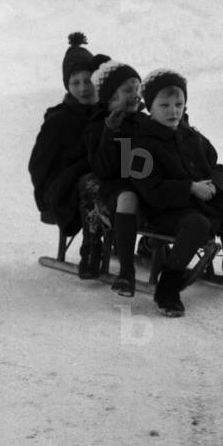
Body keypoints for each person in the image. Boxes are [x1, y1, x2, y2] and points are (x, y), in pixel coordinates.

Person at [127, 70, 223, 317]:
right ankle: (168, 287)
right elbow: (147, 188)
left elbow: (215, 165)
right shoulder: (140, 144)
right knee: (197, 225)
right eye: (164, 105)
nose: (173, 111)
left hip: (202, 203)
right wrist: (189, 187)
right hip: (162, 210)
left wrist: (213, 184)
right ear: (149, 107)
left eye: (179, 104)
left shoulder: (191, 136)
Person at [28, 33, 112, 278]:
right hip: (68, 189)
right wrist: (47, 199)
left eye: (88, 81)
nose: (83, 88)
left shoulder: (111, 110)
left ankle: (150, 240)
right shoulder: (60, 119)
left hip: (105, 175)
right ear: (68, 85)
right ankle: (91, 249)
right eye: (75, 83)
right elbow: (38, 164)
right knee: (92, 184)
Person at [85, 59, 147, 295]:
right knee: (128, 197)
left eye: (137, 89)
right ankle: (126, 273)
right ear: (110, 98)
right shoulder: (99, 126)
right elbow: (102, 168)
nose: (135, 95)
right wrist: (110, 133)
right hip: (115, 189)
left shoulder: (144, 121)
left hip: (148, 184)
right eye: (127, 91)